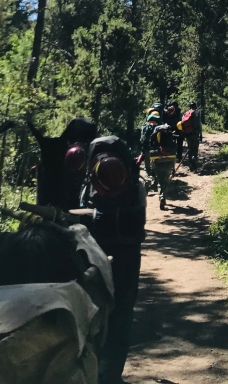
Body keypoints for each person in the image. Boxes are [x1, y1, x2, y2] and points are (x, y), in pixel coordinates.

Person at [81, 134, 146, 384]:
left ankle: (95, 371)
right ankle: (110, 375)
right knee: (123, 309)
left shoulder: (88, 185)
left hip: (95, 248)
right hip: (127, 248)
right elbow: (139, 227)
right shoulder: (135, 186)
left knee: (92, 308)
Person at [180, 102, 203, 171]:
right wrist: (201, 134)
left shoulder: (186, 113)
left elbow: (182, 124)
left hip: (187, 134)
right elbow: (199, 124)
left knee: (189, 149)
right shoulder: (197, 113)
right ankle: (194, 165)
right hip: (195, 134)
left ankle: (190, 165)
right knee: (195, 149)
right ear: (195, 106)